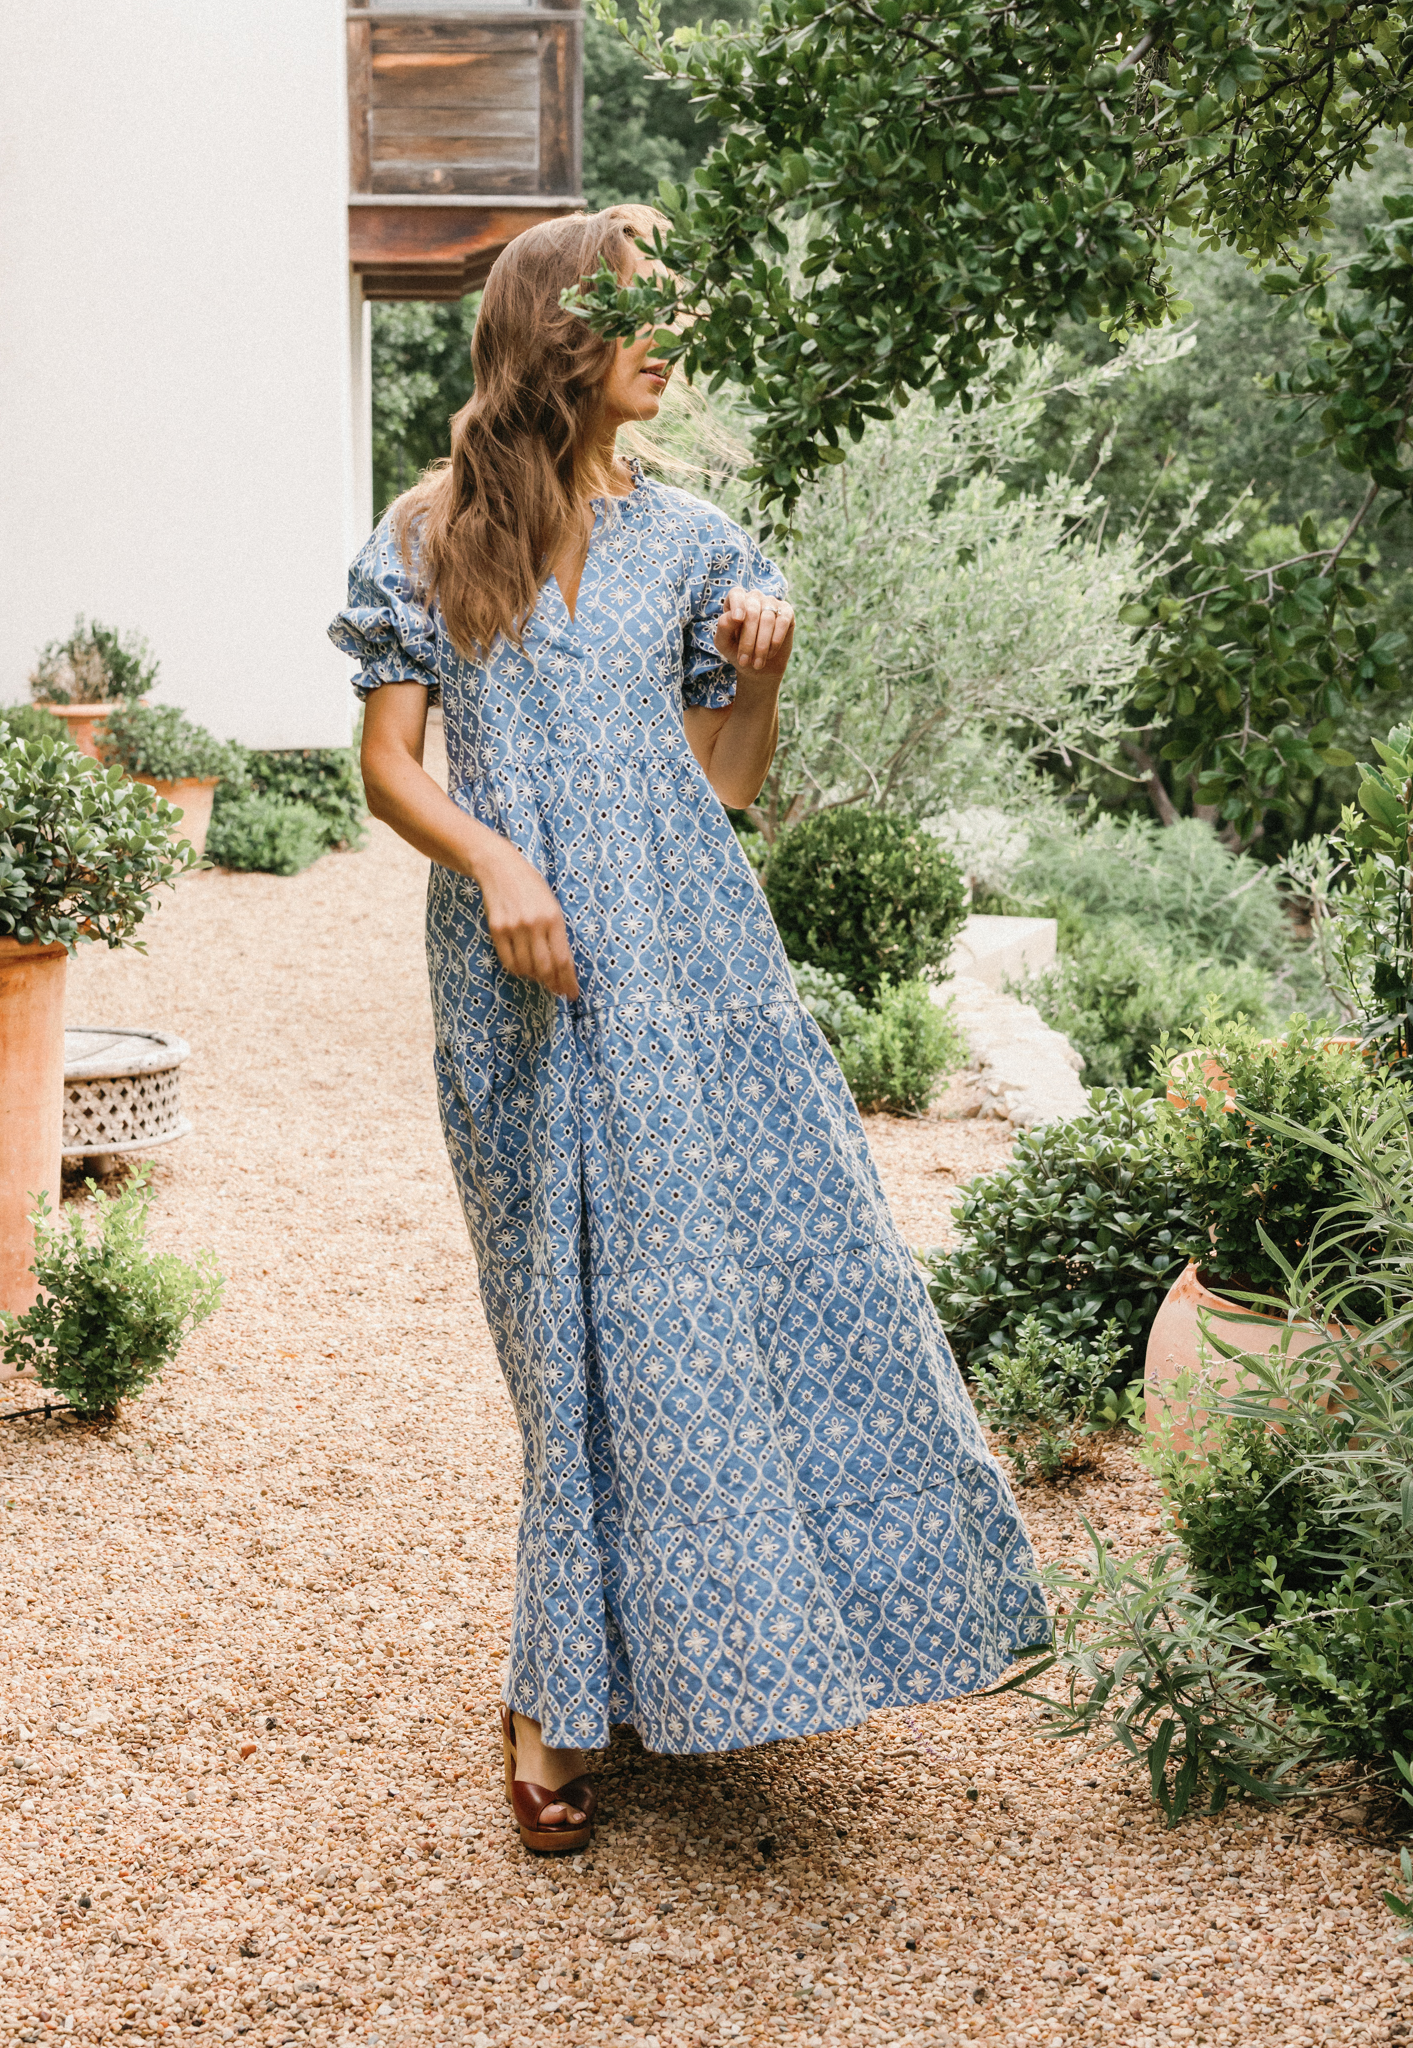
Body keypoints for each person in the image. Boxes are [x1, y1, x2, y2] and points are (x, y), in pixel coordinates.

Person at [330, 206, 1045, 1856]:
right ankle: (586, 1665)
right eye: (642, 317)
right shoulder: (429, 539)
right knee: (560, 1313)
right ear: (557, 339)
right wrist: (497, 860)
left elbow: (725, 786)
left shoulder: (703, 546)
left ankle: (585, 1693)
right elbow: (388, 770)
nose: (673, 344)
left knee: (716, 1299)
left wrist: (766, 676)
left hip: (693, 970)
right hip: (521, 980)